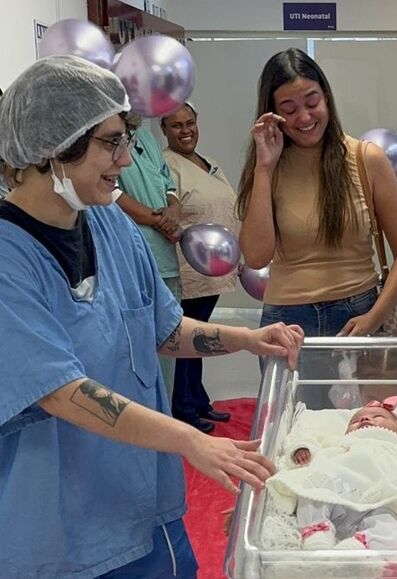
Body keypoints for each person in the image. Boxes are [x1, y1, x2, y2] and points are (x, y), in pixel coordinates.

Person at [0, 55, 304, 578]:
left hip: (146, 508)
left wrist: (247, 338)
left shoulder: (109, 226)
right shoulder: (10, 258)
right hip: (65, 532)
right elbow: (59, 389)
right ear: (53, 146)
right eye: (110, 143)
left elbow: (162, 329)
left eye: (127, 141)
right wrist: (192, 439)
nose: (124, 160)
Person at [236, 48, 397, 341]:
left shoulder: (366, 158)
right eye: (289, 108)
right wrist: (263, 168)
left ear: (327, 98)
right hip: (287, 320)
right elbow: (256, 257)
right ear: (272, 113)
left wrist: (374, 318)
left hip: (358, 311)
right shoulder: (266, 166)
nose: (305, 117)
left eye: (312, 102)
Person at [266, 395, 397, 550]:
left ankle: (357, 547)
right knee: (311, 493)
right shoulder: (340, 441)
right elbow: (316, 446)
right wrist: (302, 451)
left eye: (379, 417)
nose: (364, 419)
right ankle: (317, 535)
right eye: (355, 420)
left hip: (382, 497)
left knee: (390, 527)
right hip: (336, 487)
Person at [161, 102, 241, 434]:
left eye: (190, 122)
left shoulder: (209, 163)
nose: (185, 130)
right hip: (190, 272)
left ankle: (197, 398)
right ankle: (184, 407)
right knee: (190, 340)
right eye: (176, 125)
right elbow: (171, 210)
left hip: (215, 273)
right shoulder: (167, 165)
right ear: (164, 129)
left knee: (198, 338)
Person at [116, 124, 183, 396]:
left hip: (166, 260)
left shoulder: (145, 136)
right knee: (138, 360)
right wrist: (158, 220)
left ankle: (166, 423)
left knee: (169, 354)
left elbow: (168, 184)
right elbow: (113, 195)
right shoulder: (105, 138)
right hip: (134, 261)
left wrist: (173, 210)